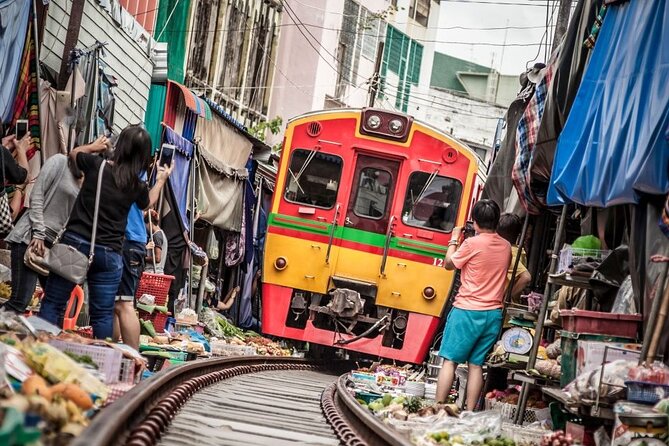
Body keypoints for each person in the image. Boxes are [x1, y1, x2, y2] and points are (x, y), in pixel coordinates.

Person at [40, 127, 173, 339]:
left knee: (53, 302)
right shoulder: (135, 185)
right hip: (109, 254)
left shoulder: (96, 166)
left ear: (120, 146)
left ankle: (40, 350)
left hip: (75, 244)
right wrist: (161, 179)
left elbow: (74, 154)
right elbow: (147, 204)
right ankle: (102, 364)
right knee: (102, 315)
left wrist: (93, 147)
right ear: (142, 156)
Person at [436, 199, 511, 409]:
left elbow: (449, 264)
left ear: (475, 222)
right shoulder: (506, 247)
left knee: (450, 361)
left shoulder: (471, 244)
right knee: (476, 365)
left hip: (468, 310)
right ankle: (469, 411)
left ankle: (439, 407)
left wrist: (453, 240)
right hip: (493, 315)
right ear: (496, 221)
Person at [2, 152, 85, 314]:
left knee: (56, 304)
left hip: (53, 248)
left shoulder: (89, 180)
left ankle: (45, 337)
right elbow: (36, 196)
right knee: (20, 301)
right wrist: (38, 233)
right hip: (30, 238)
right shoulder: (60, 162)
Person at [112, 202, 147, 351]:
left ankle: (134, 361)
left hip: (127, 239)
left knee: (123, 304)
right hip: (125, 240)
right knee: (113, 305)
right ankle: (108, 356)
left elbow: (146, 202)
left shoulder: (131, 178)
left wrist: (160, 181)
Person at [497, 213, 532, 302]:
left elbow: (526, 277)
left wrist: (507, 296)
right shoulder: (519, 251)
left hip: (501, 306)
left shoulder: (508, 253)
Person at [144, 209, 167, 274]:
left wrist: (143, 258)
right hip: (157, 271)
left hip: (153, 271)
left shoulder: (157, 235)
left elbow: (157, 258)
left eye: (146, 225)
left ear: (150, 223)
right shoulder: (160, 234)